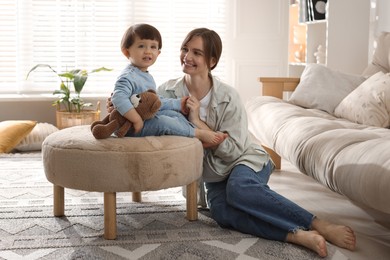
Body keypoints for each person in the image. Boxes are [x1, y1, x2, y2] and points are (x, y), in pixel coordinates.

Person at [155, 28, 357, 258]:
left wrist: (197, 121)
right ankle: (296, 235)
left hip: (245, 159)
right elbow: (147, 109)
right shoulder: (167, 92)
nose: (187, 57)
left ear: (211, 61)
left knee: (239, 189)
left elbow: (232, 152)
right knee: (221, 212)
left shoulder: (229, 97)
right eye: (185, 49)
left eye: (196, 53)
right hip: (212, 175)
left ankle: (318, 224)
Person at [111, 23, 226, 147]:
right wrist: (136, 119)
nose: (148, 51)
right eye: (141, 46)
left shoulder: (146, 76)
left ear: (158, 53)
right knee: (163, 122)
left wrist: (178, 104)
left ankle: (196, 134)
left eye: (153, 47)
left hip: (142, 120)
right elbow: (118, 98)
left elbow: (155, 102)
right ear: (126, 52)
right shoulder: (128, 76)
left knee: (175, 115)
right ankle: (197, 133)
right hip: (130, 126)